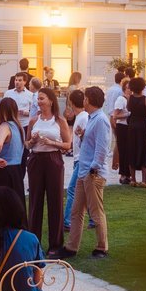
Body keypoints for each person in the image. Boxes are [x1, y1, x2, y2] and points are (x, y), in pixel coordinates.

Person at [63, 86, 110, 259]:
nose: (83, 100)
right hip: (84, 172)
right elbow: (91, 144)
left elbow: (102, 147)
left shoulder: (100, 120)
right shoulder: (91, 118)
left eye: (85, 98)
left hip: (92, 173)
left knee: (96, 212)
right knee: (76, 212)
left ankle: (102, 247)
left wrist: (94, 168)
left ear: (88, 100)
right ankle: (71, 247)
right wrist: (83, 136)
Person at [25, 87, 71, 255]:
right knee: (35, 201)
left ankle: (55, 245)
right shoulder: (33, 120)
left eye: (42, 98)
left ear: (51, 101)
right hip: (36, 160)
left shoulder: (59, 121)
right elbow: (27, 144)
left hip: (53, 160)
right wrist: (32, 141)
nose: (39, 101)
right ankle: (33, 243)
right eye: (38, 99)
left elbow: (68, 144)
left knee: (55, 201)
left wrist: (52, 143)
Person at [61, 88, 89, 231]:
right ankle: (93, 218)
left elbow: (87, 139)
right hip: (79, 159)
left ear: (71, 103)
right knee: (84, 190)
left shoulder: (83, 117)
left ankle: (67, 221)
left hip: (81, 160)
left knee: (72, 189)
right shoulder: (80, 116)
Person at [0, 97, 27, 200]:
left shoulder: (5, 126)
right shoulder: (19, 127)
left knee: (1, 205)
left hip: (4, 170)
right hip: (17, 171)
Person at [122, 76, 146, 187]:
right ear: (143, 87)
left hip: (132, 126)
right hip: (143, 127)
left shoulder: (129, 98)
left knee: (132, 150)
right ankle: (144, 180)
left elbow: (129, 110)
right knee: (144, 150)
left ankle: (133, 179)